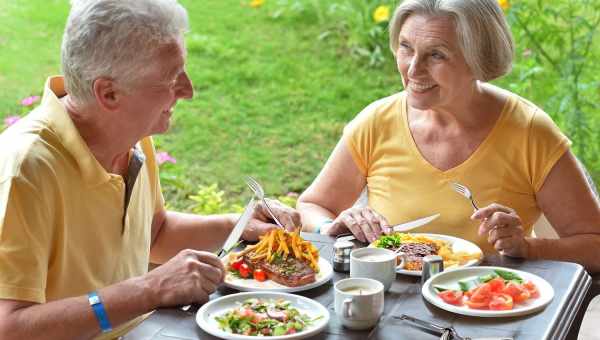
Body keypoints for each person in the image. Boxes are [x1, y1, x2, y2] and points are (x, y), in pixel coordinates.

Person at [0, 1, 300, 339]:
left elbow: (154, 234)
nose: (188, 90)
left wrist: (239, 225)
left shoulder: (131, 136)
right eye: (171, 78)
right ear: (109, 93)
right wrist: (148, 290)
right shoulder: (25, 169)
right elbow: (10, 327)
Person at [297, 0, 600, 272]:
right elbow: (312, 205)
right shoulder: (377, 122)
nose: (413, 70)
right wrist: (330, 227)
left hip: (492, 308)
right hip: (393, 304)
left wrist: (528, 247)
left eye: (436, 55)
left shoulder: (530, 132)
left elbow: (595, 245)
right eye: (406, 47)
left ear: (479, 59)